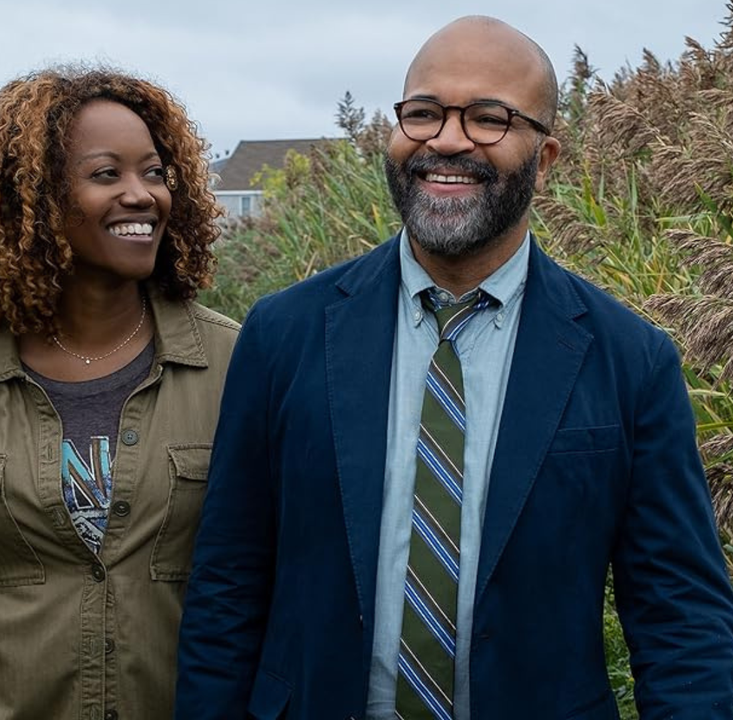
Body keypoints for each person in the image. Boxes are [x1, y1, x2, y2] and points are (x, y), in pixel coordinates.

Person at [175, 16, 733, 720]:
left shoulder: (630, 360)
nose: (447, 138)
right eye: (425, 112)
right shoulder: (283, 334)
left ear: (548, 156)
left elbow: (681, 618)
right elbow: (228, 583)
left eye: (490, 117)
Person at [0, 66, 238, 719]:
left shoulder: (237, 363)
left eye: (155, 173)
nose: (142, 195)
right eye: (107, 174)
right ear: (28, 200)